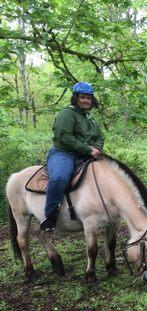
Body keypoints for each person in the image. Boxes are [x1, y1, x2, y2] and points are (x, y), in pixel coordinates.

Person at [40, 82, 104, 232]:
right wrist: (88, 149)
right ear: (75, 98)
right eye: (82, 97)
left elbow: (100, 137)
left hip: (86, 154)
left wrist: (97, 148)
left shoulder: (90, 118)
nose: (86, 100)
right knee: (59, 178)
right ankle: (50, 216)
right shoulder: (67, 114)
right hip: (64, 153)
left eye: (88, 98)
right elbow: (64, 137)